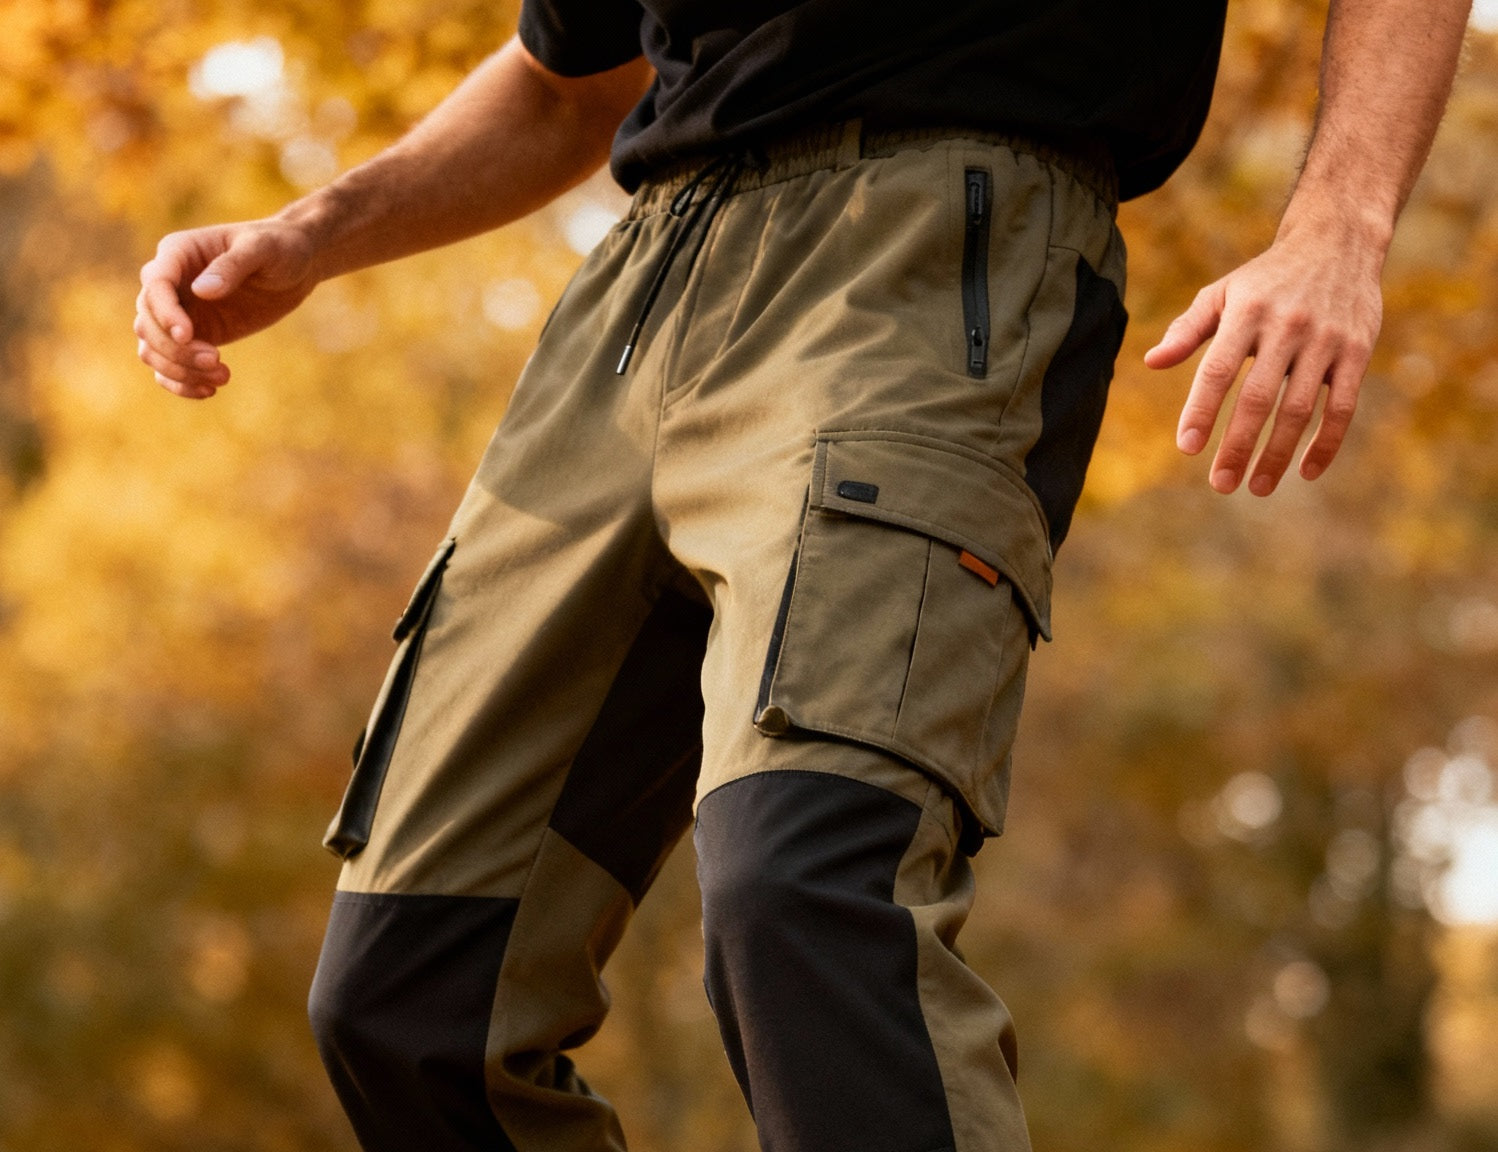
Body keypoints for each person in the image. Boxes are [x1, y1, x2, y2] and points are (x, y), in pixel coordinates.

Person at [133, 2, 1471, 1149]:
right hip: (640, 295)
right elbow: (566, 80)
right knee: (412, 999)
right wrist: (311, 233)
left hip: (928, 252)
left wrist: (1337, 230)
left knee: (809, 892)